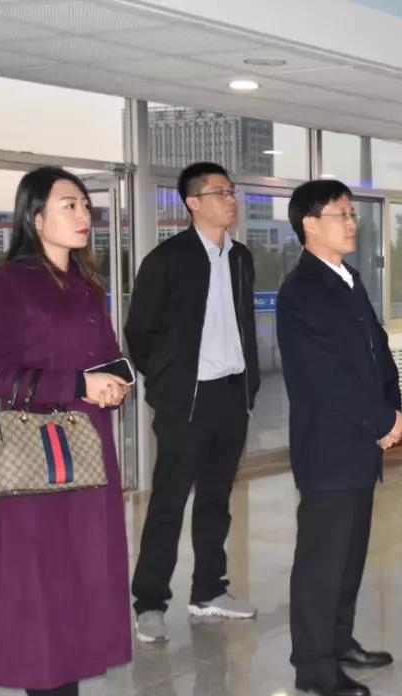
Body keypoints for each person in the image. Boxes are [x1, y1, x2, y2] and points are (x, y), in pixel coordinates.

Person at [0, 167, 132, 695]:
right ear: (35, 217)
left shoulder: (87, 287)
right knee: (42, 586)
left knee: (84, 581)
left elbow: (108, 355)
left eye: (86, 205)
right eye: (70, 205)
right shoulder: (8, 283)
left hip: (90, 445)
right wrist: (79, 384)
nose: (84, 214)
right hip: (38, 456)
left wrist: (117, 382)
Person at [277, 179, 402, 696]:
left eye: (353, 214)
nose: (352, 223)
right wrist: (381, 420)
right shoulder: (301, 291)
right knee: (322, 561)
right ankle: (313, 666)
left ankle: (338, 640)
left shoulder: (348, 277)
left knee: (350, 555)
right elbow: (326, 375)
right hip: (329, 446)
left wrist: (393, 409)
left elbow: (376, 349)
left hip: (360, 444)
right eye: (341, 214)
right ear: (310, 224)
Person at [125, 161, 260, 643]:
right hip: (187, 401)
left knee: (216, 501)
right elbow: (140, 332)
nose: (231, 200)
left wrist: (247, 386)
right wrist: (169, 384)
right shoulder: (167, 259)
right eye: (221, 192)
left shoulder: (240, 258)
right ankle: (149, 602)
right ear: (193, 203)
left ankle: (209, 590)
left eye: (232, 191)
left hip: (231, 394)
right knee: (168, 502)